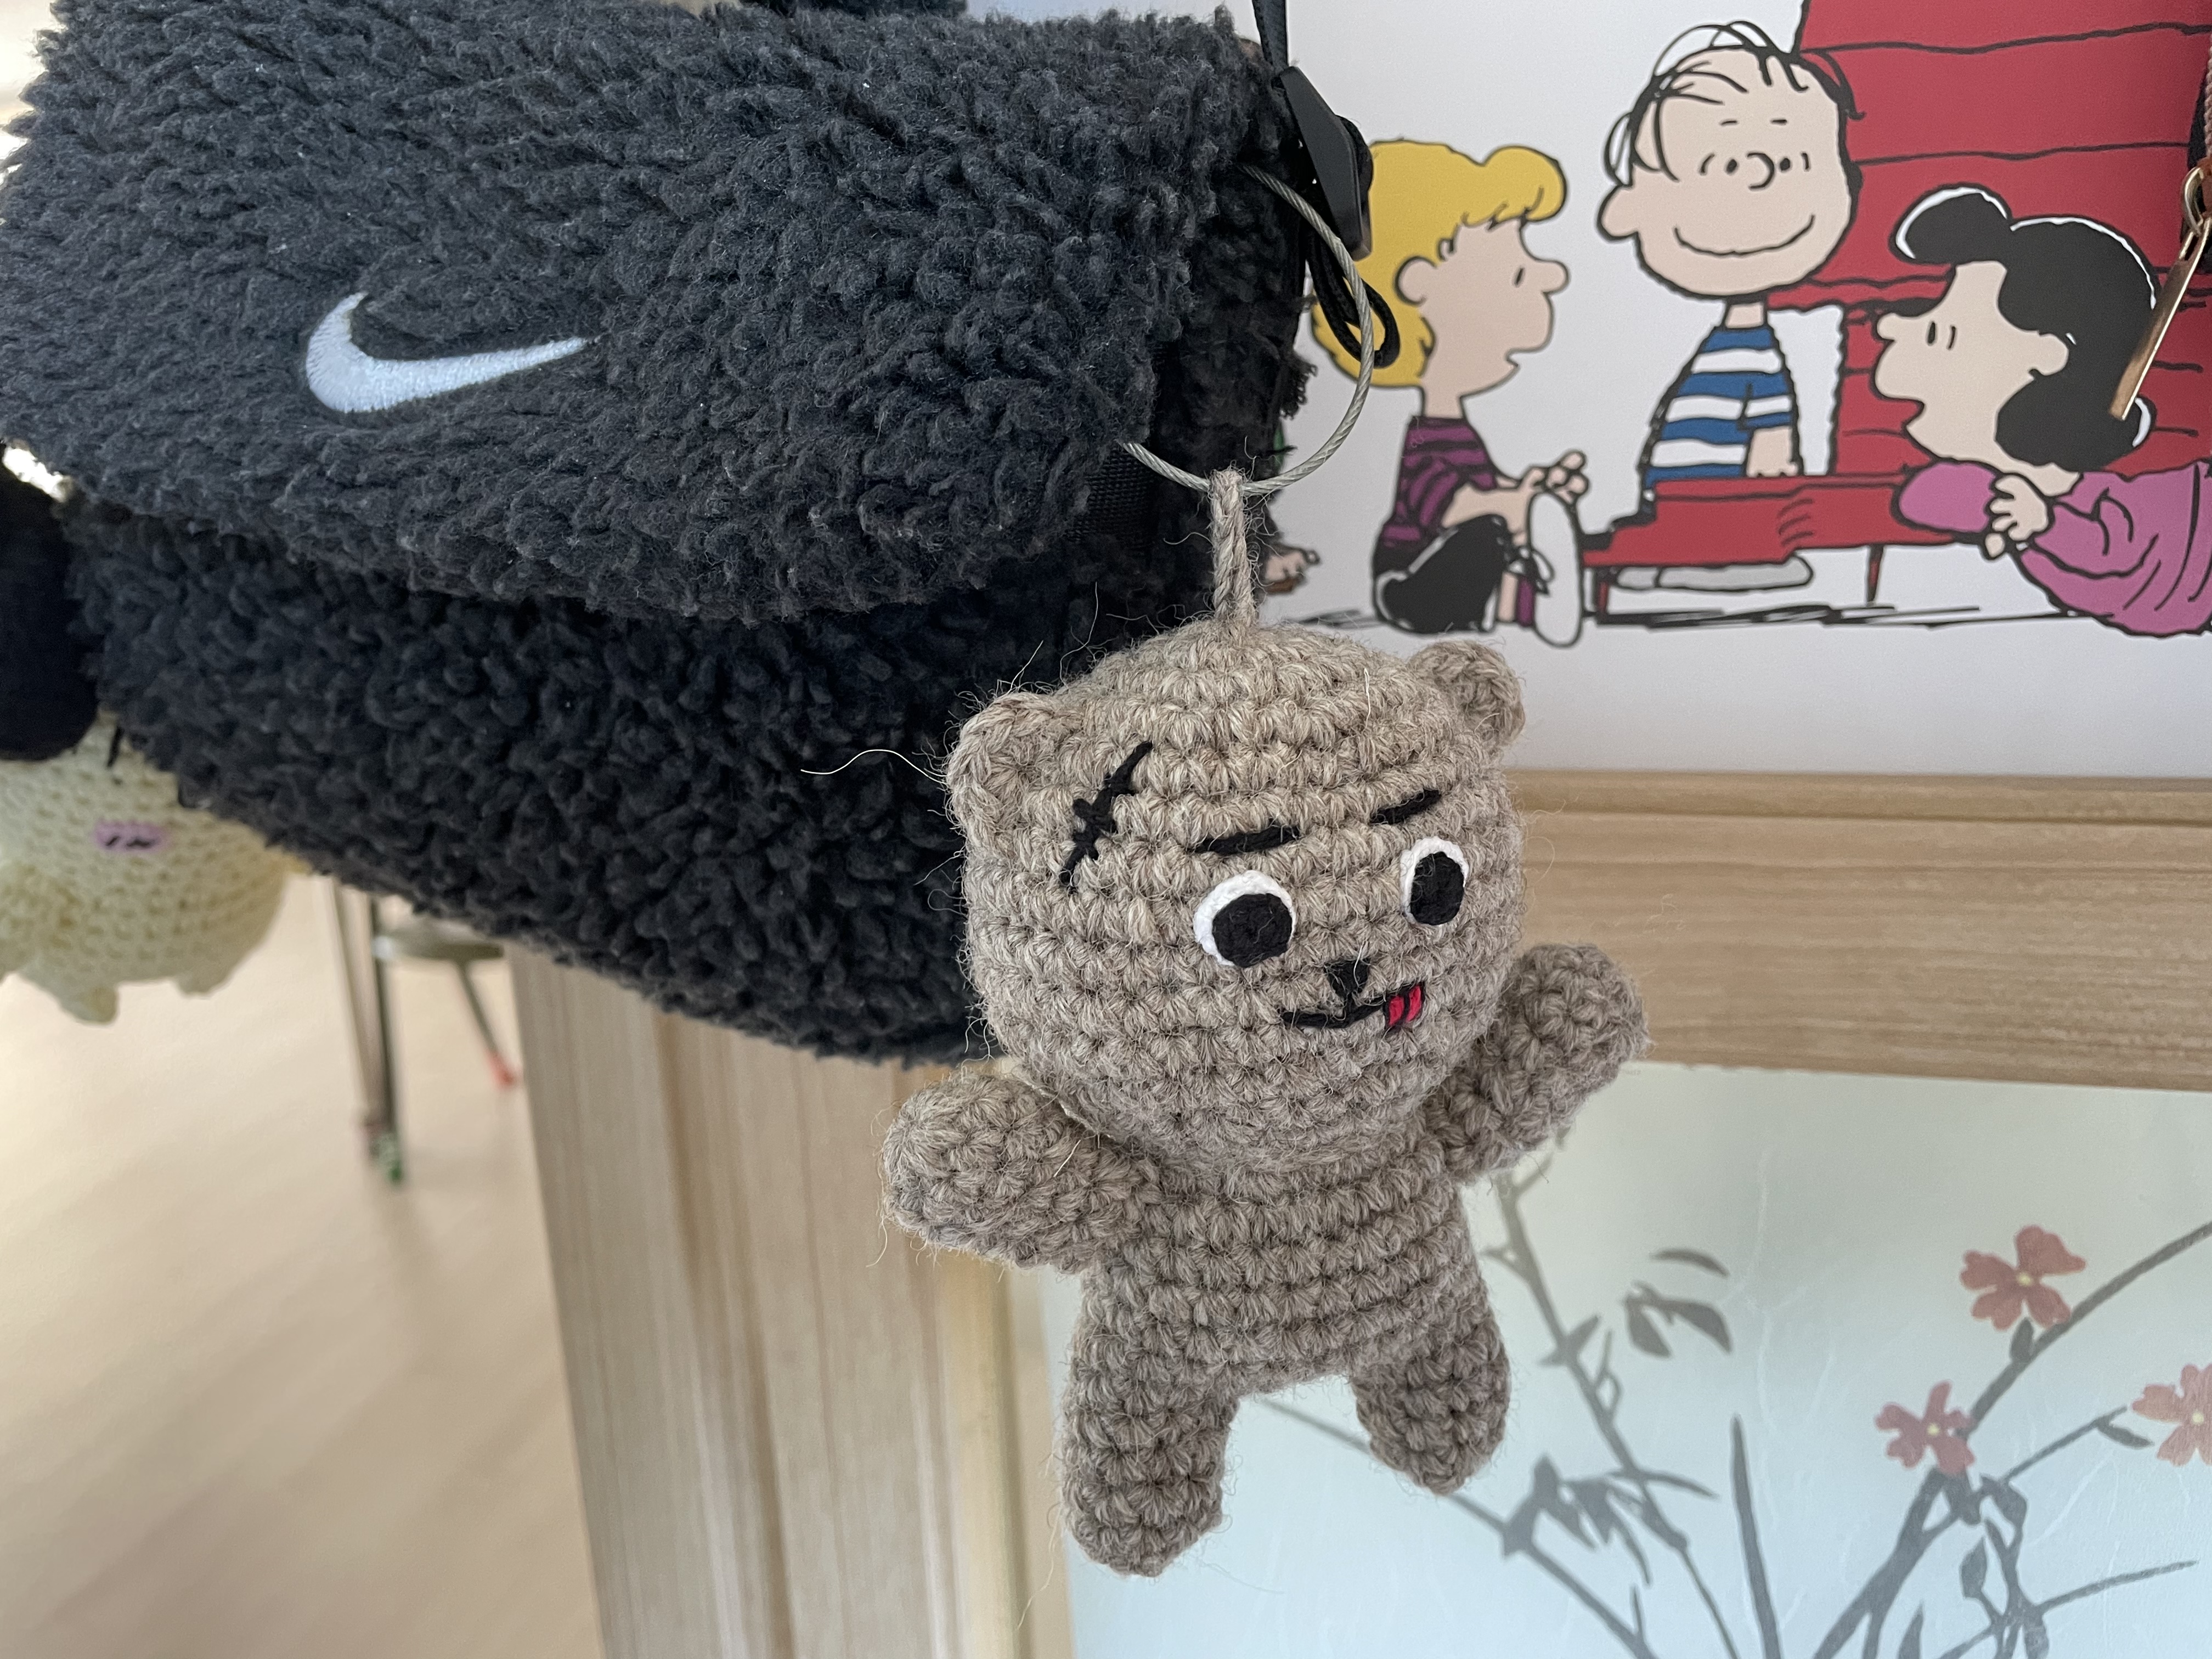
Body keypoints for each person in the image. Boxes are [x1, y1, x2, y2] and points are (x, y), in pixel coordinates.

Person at [1877, 184, 2210, 637]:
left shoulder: (2109, 510)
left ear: (2046, 360)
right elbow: (1921, 497)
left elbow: (2110, 554)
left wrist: (2045, 524)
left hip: (2189, 567)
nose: (1888, 324)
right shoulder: (2021, 492)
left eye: (1943, 334)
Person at [1598, 22, 1859, 591]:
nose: (1757, 179)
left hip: (1721, 496)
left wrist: (1773, 451)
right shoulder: (1735, 345)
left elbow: (1769, 418)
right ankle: (1677, 553)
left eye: (1789, 164)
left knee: (1707, 526)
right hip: (1682, 493)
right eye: (1727, 166)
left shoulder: (1753, 349)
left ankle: (1720, 558)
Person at [1314, 140, 1586, 635]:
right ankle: (1527, 602)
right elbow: (1451, 507)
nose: (1554, 276)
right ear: (1422, 286)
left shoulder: (1456, 431)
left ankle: (1527, 599)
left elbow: (1484, 491)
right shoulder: (1425, 442)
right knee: (1485, 536)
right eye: (1517, 273)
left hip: (1439, 571)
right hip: (1405, 584)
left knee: (1493, 533)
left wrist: (1532, 489)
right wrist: (1519, 504)